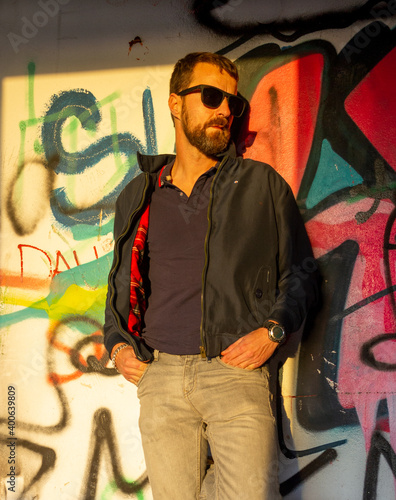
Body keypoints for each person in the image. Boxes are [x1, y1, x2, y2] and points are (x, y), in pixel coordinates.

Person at [104, 52, 318, 499]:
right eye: (211, 96)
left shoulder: (260, 185)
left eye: (232, 103)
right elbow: (120, 282)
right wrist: (118, 345)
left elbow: (301, 273)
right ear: (176, 103)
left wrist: (273, 332)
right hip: (159, 379)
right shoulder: (140, 193)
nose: (225, 110)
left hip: (235, 375)